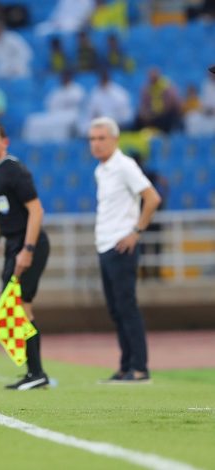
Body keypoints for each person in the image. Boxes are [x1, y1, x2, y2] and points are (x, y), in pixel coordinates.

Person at [0, 121, 50, 390]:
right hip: (12, 245)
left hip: (29, 244)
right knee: (15, 308)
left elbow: (36, 211)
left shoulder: (15, 171)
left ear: (4, 142)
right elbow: (0, 214)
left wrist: (27, 250)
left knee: (20, 307)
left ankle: (37, 373)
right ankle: (33, 372)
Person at [89, 117, 162, 383]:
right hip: (105, 244)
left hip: (122, 244)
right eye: (92, 139)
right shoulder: (101, 170)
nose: (96, 144)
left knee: (127, 306)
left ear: (115, 139)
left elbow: (152, 197)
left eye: (101, 138)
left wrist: (136, 232)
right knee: (115, 309)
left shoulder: (124, 166)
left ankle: (140, 367)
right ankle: (125, 365)